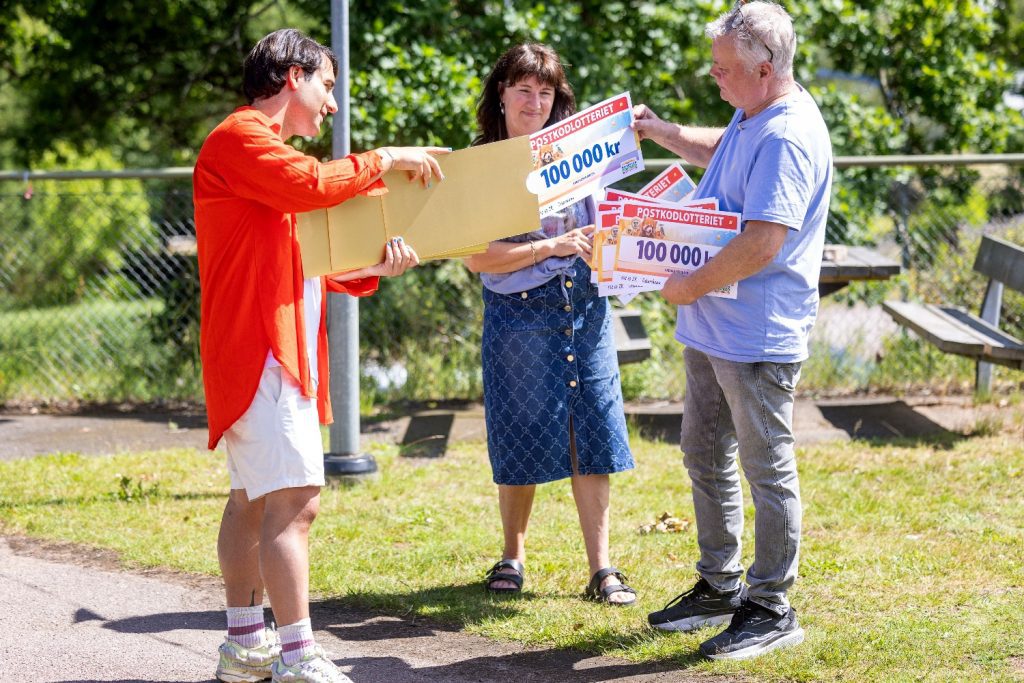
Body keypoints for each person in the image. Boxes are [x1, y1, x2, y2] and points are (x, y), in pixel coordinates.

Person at [193, 28, 447, 683]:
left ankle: (248, 644)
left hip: (273, 350)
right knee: (295, 498)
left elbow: (303, 260)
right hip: (262, 352)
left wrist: (375, 269)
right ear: (293, 76)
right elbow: (312, 186)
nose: (331, 104)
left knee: (254, 497)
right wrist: (386, 157)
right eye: (327, 85)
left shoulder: (260, 154)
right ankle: (297, 653)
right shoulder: (242, 137)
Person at [632, 1, 832, 660]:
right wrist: (662, 132)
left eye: (723, 69)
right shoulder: (755, 115)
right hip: (717, 329)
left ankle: (772, 604)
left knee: (765, 470)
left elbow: (764, 241)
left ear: (766, 69)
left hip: (755, 336)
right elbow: (719, 146)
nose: (714, 78)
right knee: (704, 452)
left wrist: (686, 285)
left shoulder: (785, 134)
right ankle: (720, 585)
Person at [464, 43, 637, 606]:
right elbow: (477, 257)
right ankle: (512, 557)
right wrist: (549, 248)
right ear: (501, 94)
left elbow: (605, 224)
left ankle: (602, 568)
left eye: (545, 92)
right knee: (519, 427)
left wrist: (632, 243)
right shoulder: (483, 162)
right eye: (523, 89)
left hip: (583, 305)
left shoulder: (581, 154)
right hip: (516, 313)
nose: (535, 101)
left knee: (594, 427)